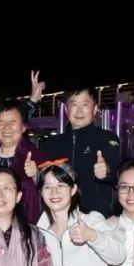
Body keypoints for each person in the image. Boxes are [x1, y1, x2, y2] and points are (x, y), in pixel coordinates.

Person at [40, 84, 122, 217]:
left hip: (97, 218)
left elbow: (119, 176)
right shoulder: (52, 143)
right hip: (61, 217)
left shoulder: (107, 138)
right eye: (74, 104)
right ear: (66, 109)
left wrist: (107, 171)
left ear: (94, 109)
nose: (79, 111)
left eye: (85, 104)